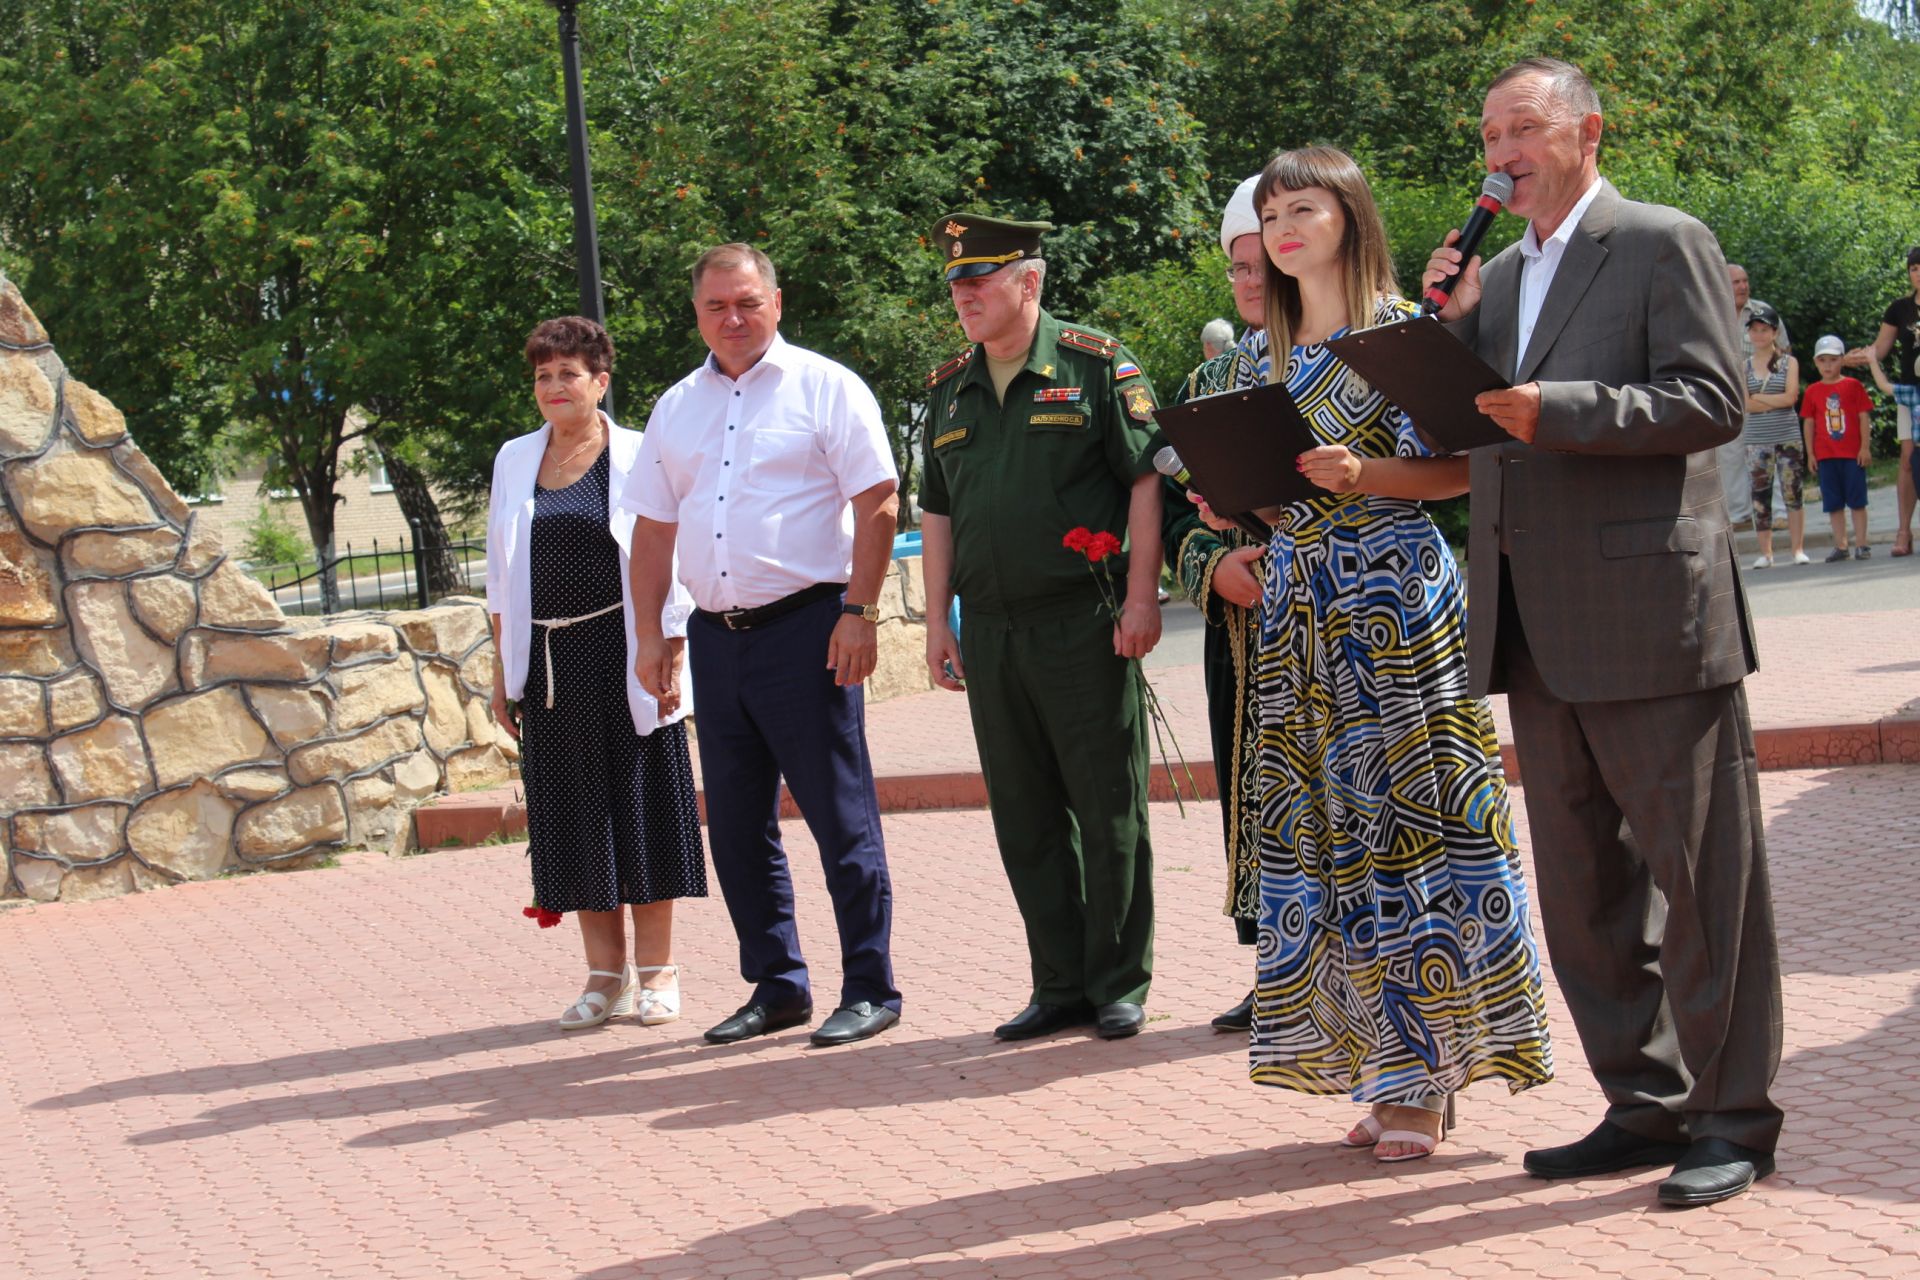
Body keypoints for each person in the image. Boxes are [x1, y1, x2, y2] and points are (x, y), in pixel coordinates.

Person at [1424, 56, 1783, 1207]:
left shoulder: (1661, 238)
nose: (1499, 156)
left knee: (1701, 882)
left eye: (1519, 130)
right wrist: (1454, 334)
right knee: (1583, 894)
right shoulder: (1506, 279)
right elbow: (1476, 425)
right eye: (1488, 137)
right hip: (1533, 616)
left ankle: (1732, 1117)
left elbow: (1711, 401)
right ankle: (1643, 1101)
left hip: (1650, 616)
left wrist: (1560, 409)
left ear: (1586, 131)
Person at [1212, 145, 1553, 1164]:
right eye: (1270, 212)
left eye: (1303, 206)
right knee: (1330, 841)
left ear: (1350, 217)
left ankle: (1430, 1078)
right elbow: (1270, 489)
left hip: (1394, 598)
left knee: (1415, 834)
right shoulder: (1254, 356)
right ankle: (1385, 1064)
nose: (1282, 226)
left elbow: (1473, 464)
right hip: (1300, 605)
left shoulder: (1406, 332)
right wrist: (1255, 498)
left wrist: (1366, 474)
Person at [622, 243, 903, 1049]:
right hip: (716, 638)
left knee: (839, 817)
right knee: (738, 827)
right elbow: (653, 527)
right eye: (717, 306)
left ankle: (870, 985)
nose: (733, 319)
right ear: (698, 314)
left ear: (776, 303)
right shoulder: (678, 405)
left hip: (810, 628)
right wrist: (654, 635)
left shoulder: (826, 386)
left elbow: (879, 501)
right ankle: (777, 986)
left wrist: (861, 610)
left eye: (747, 302)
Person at [919, 213, 1163, 1042]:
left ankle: (1118, 981)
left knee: (1107, 808)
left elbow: (1145, 482)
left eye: (979, 280)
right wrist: (937, 624)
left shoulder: (1095, 366)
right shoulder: (949, 388)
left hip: (1082, 622)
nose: (964, 296)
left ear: (1029, 281)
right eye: (956, 284)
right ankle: (1058, 982)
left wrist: (1140, 600)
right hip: (991, 630)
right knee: (1023, 815)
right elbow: (938, 510)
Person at [485, 316, 706, 1031]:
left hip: (627, 657)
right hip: (549, 671)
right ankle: (602, 978)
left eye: (568, 374)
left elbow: (670, 560)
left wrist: (667, 645)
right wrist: (501, 672)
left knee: (642, 813)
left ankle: (660, 975)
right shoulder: (514, 459)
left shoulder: (640, 453)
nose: (554, 387)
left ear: (600, 382)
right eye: (543, 375)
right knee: (574, 823)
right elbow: (499, 578)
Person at [1160, 173, 1270, 1032]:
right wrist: (1214, 568)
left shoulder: (1346, 353)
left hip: (1334, 614)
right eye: (1237, 268)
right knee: (1253, 792)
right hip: (1241, 629)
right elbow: (1166, 509)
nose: (1251, 280)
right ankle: (1278, 961)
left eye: (1264, 263)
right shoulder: (1213, 379)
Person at [1844, 247, 1920, 556]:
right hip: (1910, 394)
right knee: (1907, 459)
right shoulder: (1899, 309)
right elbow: (1880, 349)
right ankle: (1903, 531)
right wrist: (1852, 359)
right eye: (1913, 269)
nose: (1917, 273)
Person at [1741, 302, 1807, 568]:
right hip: (1756, 438)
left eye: (1764, 329)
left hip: (1787, 434)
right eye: (1755, 330)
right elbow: (1745, 404)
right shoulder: (1743, 366)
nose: (1759, 335)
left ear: (1775, 332)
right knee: (1760, 494)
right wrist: (1768, 400)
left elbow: (1791, 397)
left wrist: (1759, 397)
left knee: (1793, 491)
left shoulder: (1788, 362)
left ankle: (1797, 549)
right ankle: (1766, 553)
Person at [1800, 334, 1874, 562]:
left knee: (1857, 500)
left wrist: (1865, 448)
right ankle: (1841, 545)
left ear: (1842, 360)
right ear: (1816, 363)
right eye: (1822, 360)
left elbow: (1863, 417)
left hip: (1852, 454)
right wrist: (1811, 453)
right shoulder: (1812, 391)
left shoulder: (1853, 386)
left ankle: (1861, 544)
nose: (1828, 365)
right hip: (1826, 455)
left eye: (1832, 359)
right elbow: (1809, 423)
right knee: (1833, 503)